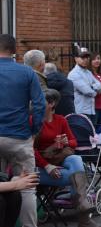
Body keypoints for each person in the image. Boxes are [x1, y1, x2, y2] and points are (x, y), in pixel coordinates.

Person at [33, 89, 100, 227]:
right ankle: (84, 217)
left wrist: (65, 142)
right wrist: (47, 165)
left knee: (76, 159)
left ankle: (82, 206)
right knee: (75, 176)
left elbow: (74, 142)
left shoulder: (61, 120)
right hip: (39, 166)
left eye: (41, 100)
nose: (36, 102)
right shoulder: (34, 120)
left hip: (58, 158)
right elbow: (29, 149)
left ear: (51, 104)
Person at [0, 34, 46, 227]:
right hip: (19, 136)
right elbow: (39, 105)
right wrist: (34, 131)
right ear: (14, 50)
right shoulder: (27, 73)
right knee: (27, 187)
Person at [68, 47, 101, 124]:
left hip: (92, 110)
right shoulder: (73, 74)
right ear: (76, 58)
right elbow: (88, 91)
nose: (86, 59)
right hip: (80, 111)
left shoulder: (88, 72)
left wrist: (92, 87)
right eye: (82, 57)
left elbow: (100, 85)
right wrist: (95, 89)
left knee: (93, 135)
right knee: (82, 135)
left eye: (87, 57)